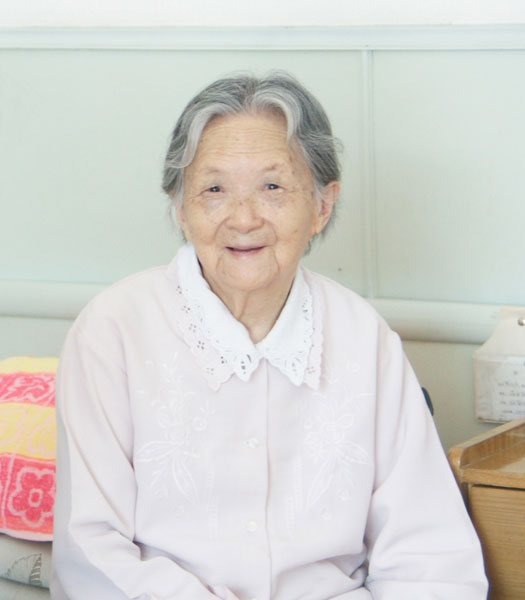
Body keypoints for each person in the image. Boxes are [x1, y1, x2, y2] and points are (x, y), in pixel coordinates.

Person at [51, 73, 488, 600]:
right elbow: (92, 555)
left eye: (272, 187)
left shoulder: (363, 337)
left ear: (322, 206)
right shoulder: (113, 331)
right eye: (214, 189)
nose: (243, 218)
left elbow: (430, 554)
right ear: (181, 208)